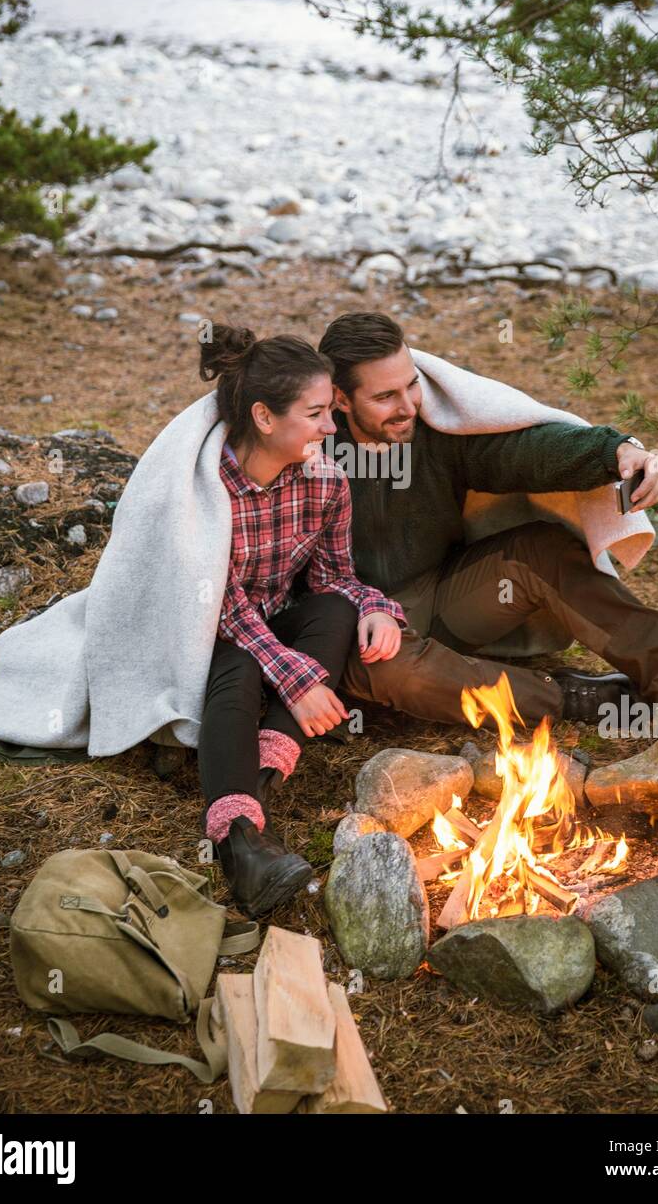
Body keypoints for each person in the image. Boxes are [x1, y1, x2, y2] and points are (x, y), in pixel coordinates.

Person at [316, 312, 658, 771]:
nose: (409, 405)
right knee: (396, 669)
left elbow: (525, 453)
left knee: (541, 552)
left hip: (439, 598)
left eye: (412, 384)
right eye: (385, 396)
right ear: (339, 398)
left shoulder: (433, 435)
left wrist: (615, 451)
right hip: (351, 635)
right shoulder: (304, 456)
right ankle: (572, 695)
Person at [198, 324, 406, 918]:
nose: (331, 428)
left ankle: (255, 785)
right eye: (316, 413)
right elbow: (220, 606)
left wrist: (376, 609)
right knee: (236, 660)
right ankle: (239, 845)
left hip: (276, 626)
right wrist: (300, 681)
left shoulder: (325, 483)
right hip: (206, 637)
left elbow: (333, 577)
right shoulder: (206, 490)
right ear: (264, 417)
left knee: (336, 607)